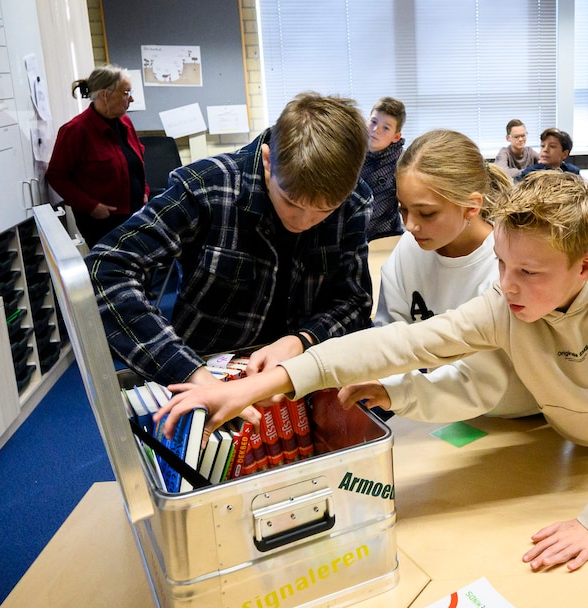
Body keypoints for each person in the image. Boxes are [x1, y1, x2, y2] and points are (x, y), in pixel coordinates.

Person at [156, 171, 588, 588]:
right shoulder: (507, 298)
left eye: (528, 271)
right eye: (501, 263)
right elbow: (405, 342)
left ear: (585, 267)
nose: (507, 284)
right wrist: (274, 380)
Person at [86, 91, 374, 408]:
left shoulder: (354, 200)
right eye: (291, 202)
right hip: (208, 368)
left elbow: (353, 301)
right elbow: (104, 270)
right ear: (268, 161)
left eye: (324, 211)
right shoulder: (206, 185)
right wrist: (190, 373)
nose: (303, 221)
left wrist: (301, 340)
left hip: (303, 376)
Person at [373, 129, 510, 326]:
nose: (409, 226)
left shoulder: (506, 266)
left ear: (471, 207)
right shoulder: (409, 248)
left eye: (427, 213)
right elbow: (386, 331)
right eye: (403, 209)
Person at [46, 65, 148, 248]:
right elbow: (56, 176)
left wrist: (145, 191)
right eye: (126, 93)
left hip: (136, 214)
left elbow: (135, 163)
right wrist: (90, 206)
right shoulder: (75, 130)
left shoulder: (125, 122)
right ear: (104, 95)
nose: (131, 99)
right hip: (103, 223)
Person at [519, 128, 588, 213]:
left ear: (564, 154)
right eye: (542, 146)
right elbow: (516, 187)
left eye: (552, 146)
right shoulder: (531, 173)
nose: (545, 150)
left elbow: (587, 186)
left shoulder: (570, 171)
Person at [359, 97, 407, 241]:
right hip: (354, 231)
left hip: (386, 234)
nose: (376, 130)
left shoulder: (402, 162)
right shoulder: (354, 153)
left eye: (386, 128)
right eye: (373, 122)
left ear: (396, 137)